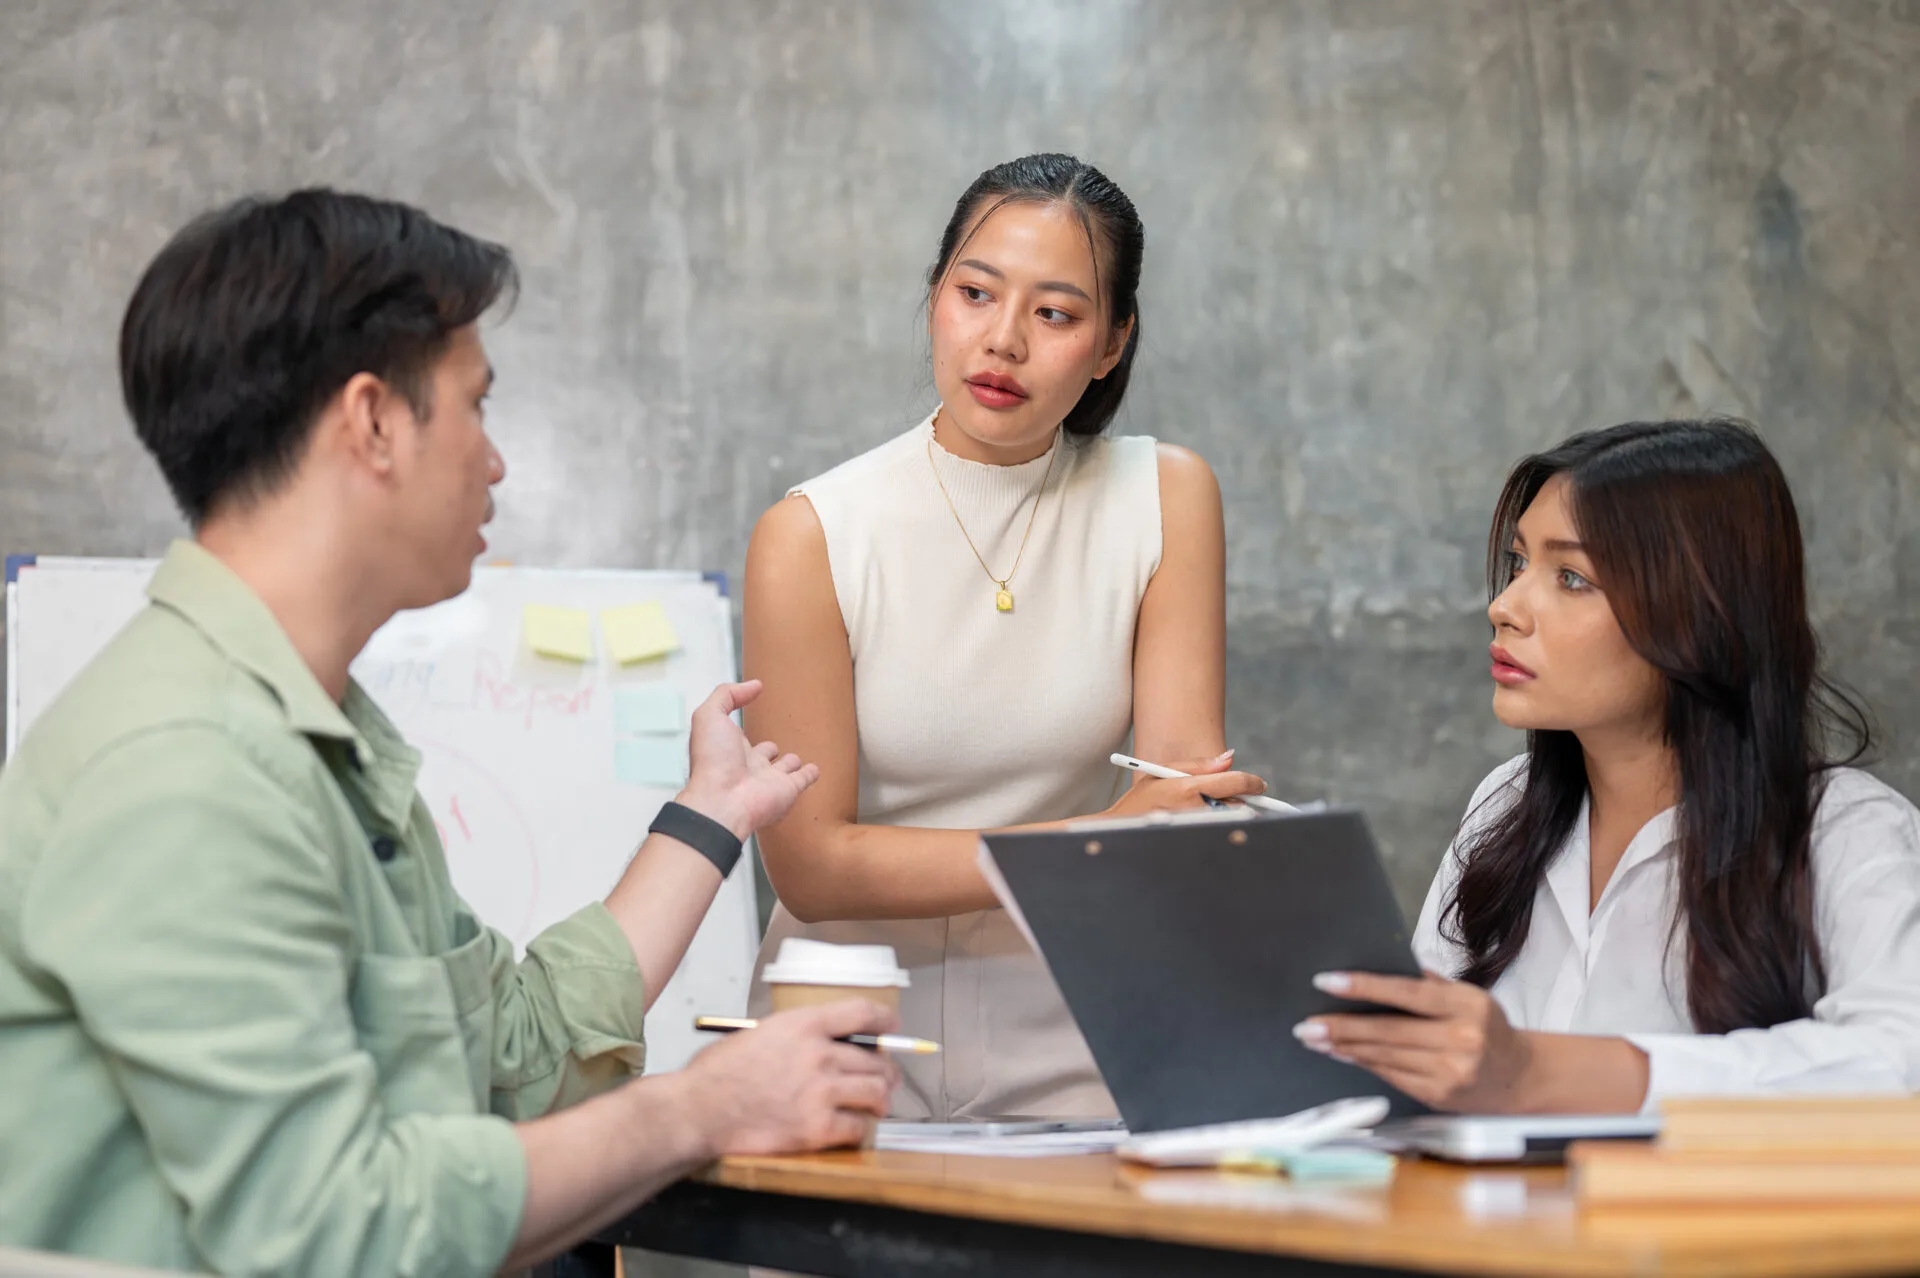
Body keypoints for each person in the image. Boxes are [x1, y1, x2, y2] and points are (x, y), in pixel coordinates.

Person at [0, 189, 897, 1276]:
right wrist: (700, 1111)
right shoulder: (186, 768)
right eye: (475, 406)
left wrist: (710, 819)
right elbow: (338, 1233)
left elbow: (511, 1055)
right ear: (373, 421)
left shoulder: (319, 737)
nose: (497, 461)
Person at [741, 153, 1269, 1121]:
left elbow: (1178, 811)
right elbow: (813, 869)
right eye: (975, 293)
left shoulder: (1165, 498)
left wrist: (1127, 837)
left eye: (1057, 314)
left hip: (1075, 1023)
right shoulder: (813, 533)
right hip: (842, 1026)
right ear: (935, 295)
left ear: (1113, 344)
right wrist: (1088, 841)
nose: (1003, 340)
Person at [1296, 419, 1920, 1112]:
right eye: (1516, 564)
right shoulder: (1503, 807)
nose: (1504, 607)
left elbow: (1897, 1063)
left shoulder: (1844, 830)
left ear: (1701, 612)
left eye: (1570, 577)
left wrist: (1544, 1072)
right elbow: (1414, 1067)